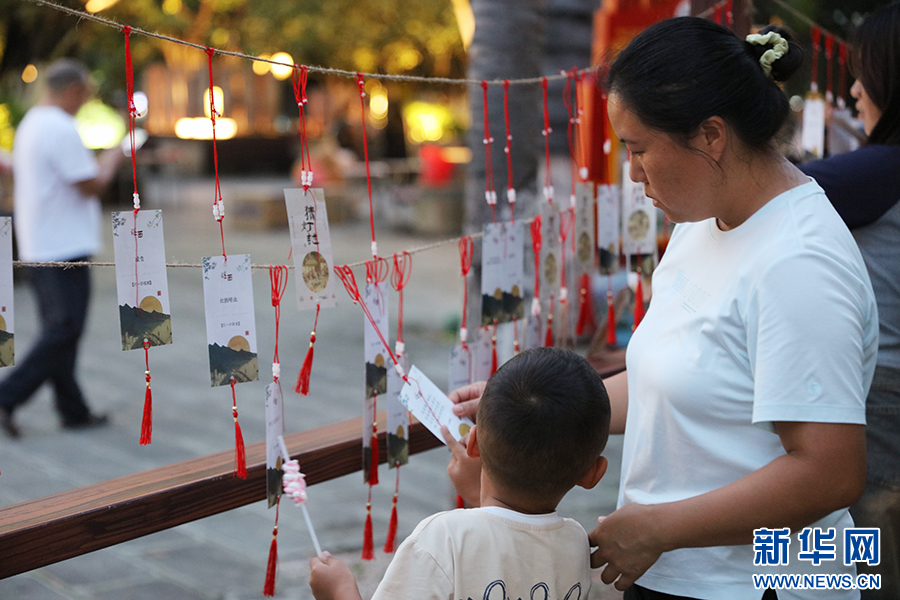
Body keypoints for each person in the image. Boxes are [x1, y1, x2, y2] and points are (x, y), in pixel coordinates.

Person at [449, 18, 879, 600]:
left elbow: (829, 472)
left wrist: (660, 529)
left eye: (639, 149)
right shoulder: (704, 218)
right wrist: (535, 409)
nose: (632, 173)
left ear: (711, 135)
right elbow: (676, 375)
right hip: (674, 571)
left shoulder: (799, 262)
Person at [308, 347, 611, 600]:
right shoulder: (575, 544)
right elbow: (516, 544)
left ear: (473, 442)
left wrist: (339, 591)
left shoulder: (443, 540)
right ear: (593, 473)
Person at [799, 4, 900, 597]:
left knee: (859, 567)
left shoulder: (877, 171)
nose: (855, 90)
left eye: (865, 74)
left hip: (878, 398)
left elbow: (765, 191)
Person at [0, 58, 122, 438]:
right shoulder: (59, 127)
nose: (85, 101)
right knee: (63, 330)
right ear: (73, 90)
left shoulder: (33, 122)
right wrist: (116, 154)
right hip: (61, 246)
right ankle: (7, 396)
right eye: (85, 93)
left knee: (61, 330)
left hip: (42, 242)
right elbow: (90, 184)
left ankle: (73, 409)